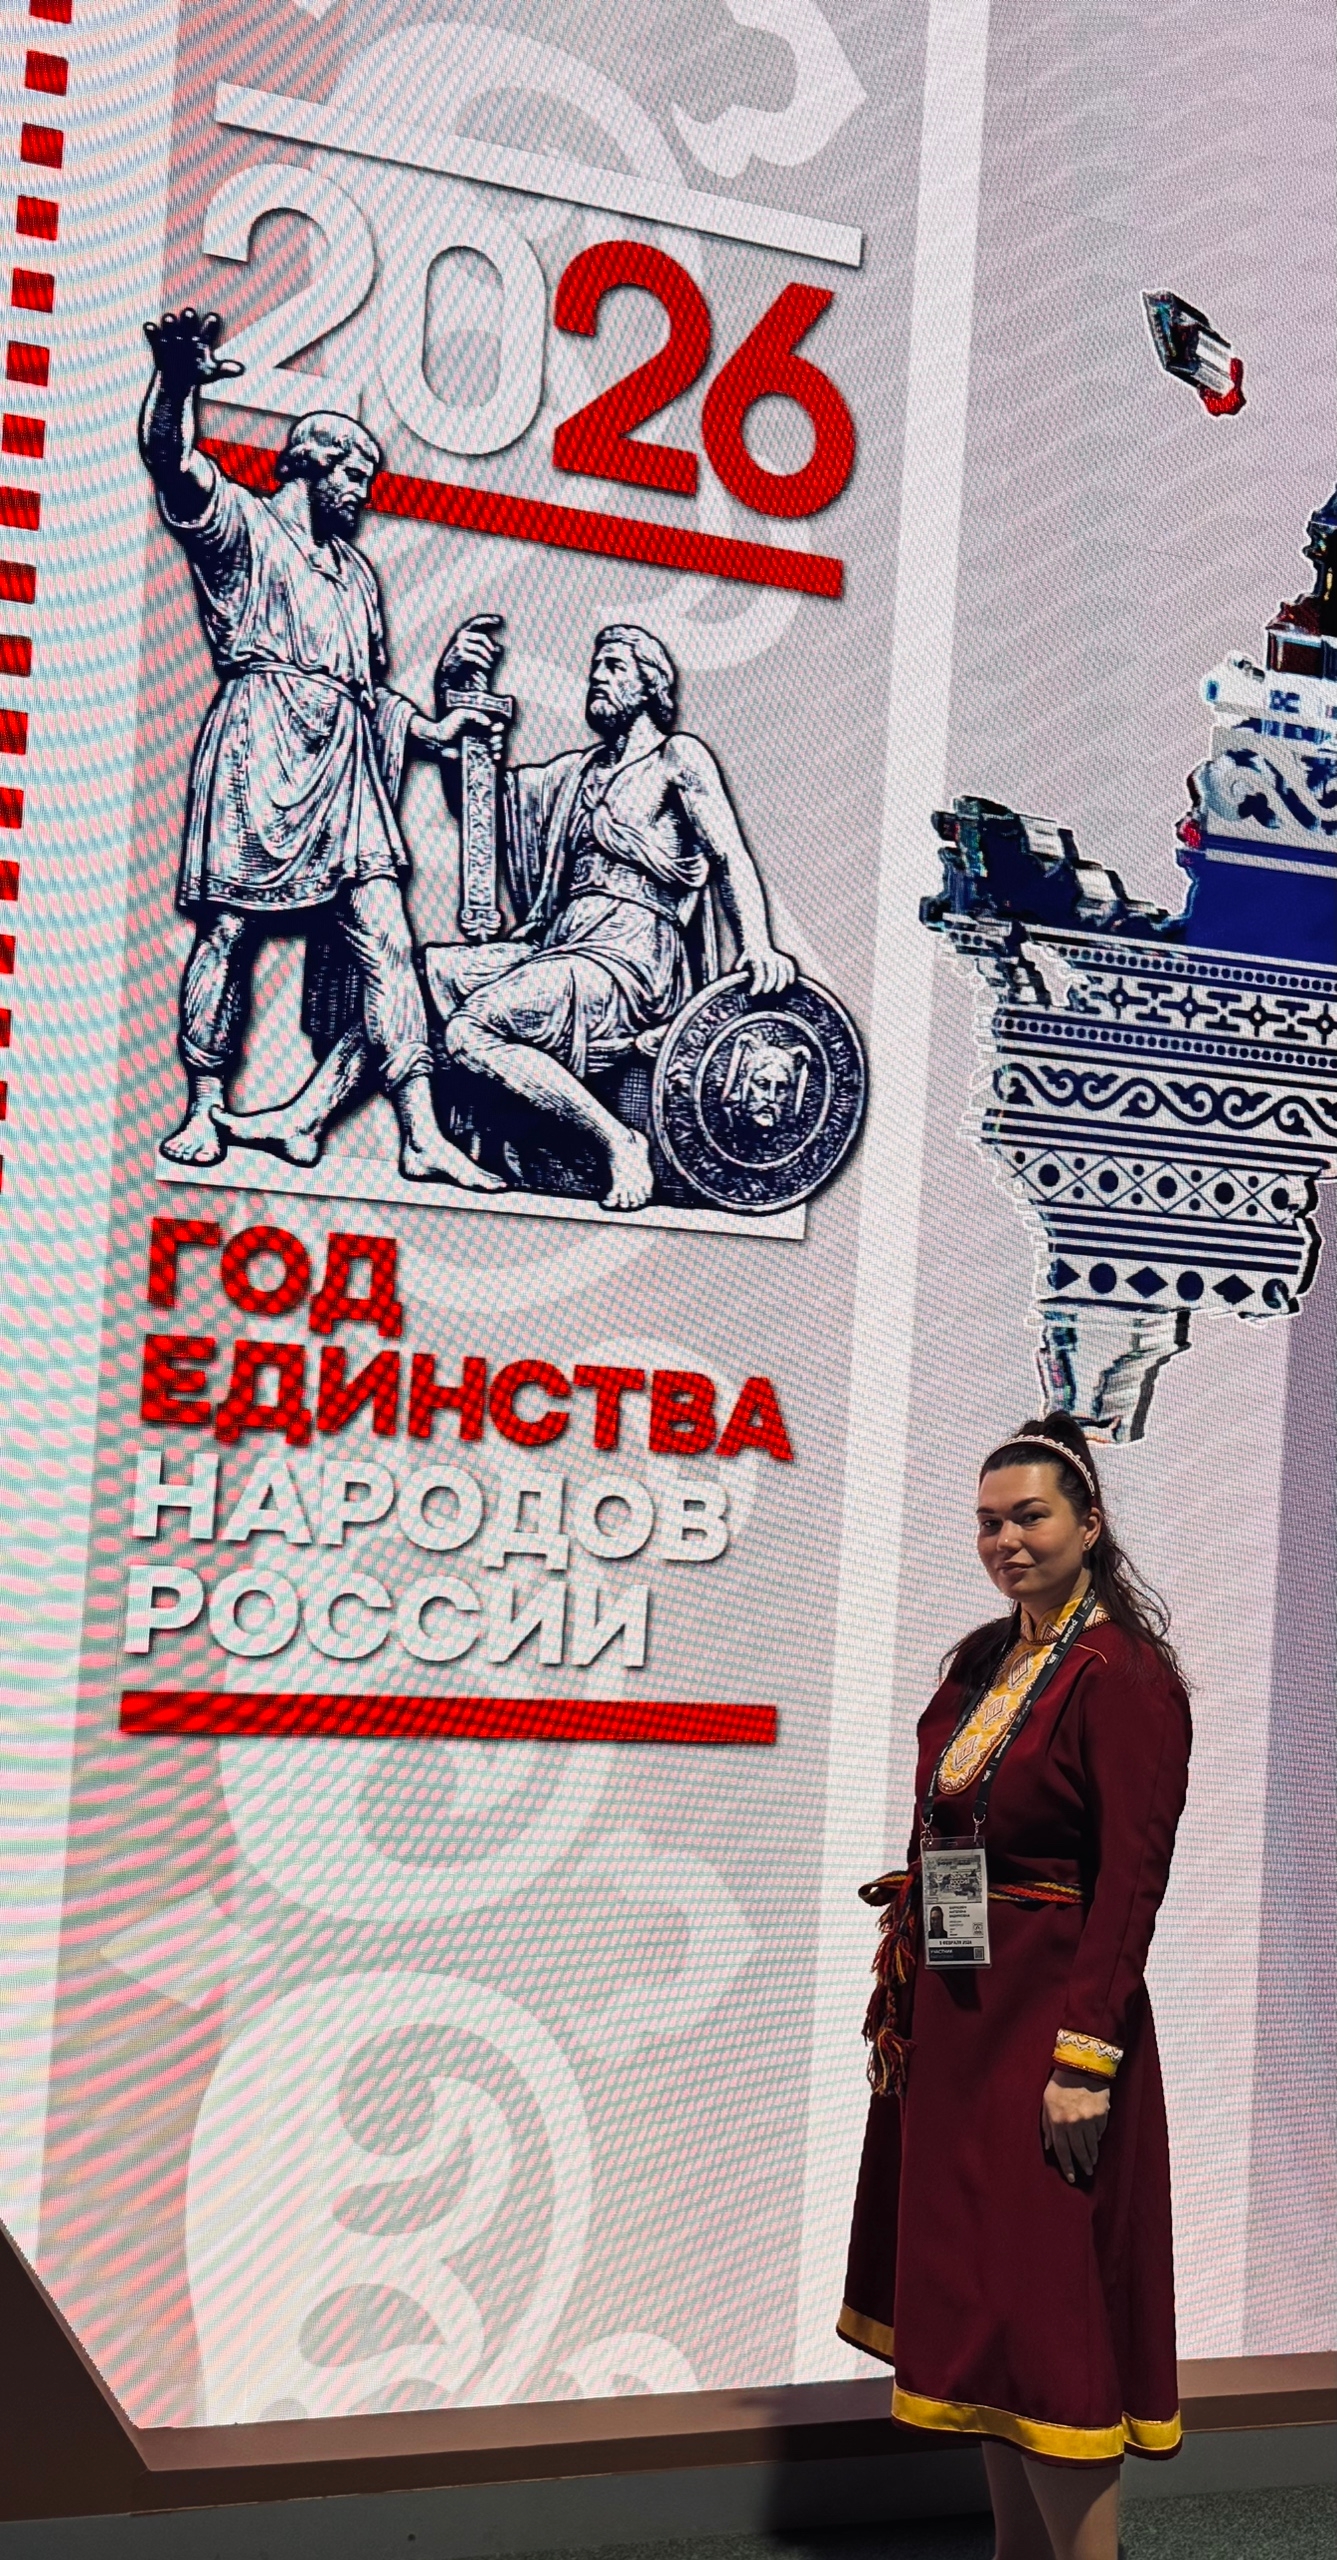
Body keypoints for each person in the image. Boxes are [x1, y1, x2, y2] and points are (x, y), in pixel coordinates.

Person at [840, 1411, 1191, 2560]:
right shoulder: (978, 1661)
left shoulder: (1122, 1677)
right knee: (983, 2309)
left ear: (1088, 1523)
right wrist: (911, 1999)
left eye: (1029, 1515)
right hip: (958, 2026)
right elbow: (945, 1835)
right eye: (987, 1521)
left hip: (1050, 2033)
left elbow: (1128, 1884)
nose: (1005, 1540)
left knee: (1045, 2316)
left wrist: (1083, 2059)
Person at [218, 620, 795, 1212]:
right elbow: (480, 806)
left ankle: (619, 1142)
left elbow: (729, 854)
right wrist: (455, 694)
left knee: (471, 1033)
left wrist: (758, 943)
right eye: (594, 667)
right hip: (561, 944)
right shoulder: (574, 774)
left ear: (651, 685)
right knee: (413, 979)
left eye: (614, 666)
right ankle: (306, 1118)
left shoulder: (678, 757)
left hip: (631, 957)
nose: (597, 677)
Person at [140, 307, 505, 1188]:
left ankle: (420, 1132)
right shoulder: (243, 527)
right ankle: (202, 1106)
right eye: (355, 478)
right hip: (261, 744)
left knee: (389, 942)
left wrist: (432, 732)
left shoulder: (357, 577)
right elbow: (172, 463)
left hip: (344, 768)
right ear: (312, 465)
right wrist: (178, 382)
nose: (363, 497)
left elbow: (368, 697)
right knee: (228, 931)